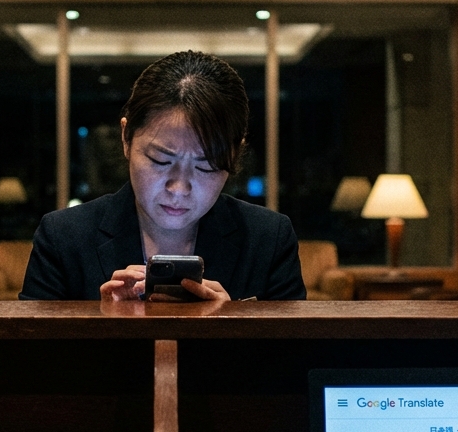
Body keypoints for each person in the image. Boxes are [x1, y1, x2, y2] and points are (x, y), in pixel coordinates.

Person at [20, 50, 306, 302]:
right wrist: (105, 325)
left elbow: (296, 347)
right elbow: (29, 346)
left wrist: (231, 325)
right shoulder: (64, 237)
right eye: (160, 160)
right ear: (126, 138)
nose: (179, 188)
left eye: (207, 166)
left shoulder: (268, 239)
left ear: (235, 155)